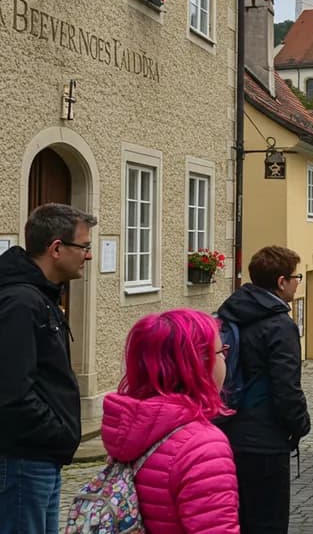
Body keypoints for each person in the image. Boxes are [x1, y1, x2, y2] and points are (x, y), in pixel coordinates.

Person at [0, 203, 96, 533]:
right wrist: (56, 432)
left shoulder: (40, 297)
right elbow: (12, 392)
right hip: (24, 458)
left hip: (40, 457)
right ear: (56, 248)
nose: (89, 256)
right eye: (84, 247)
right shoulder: (20, 303)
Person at [99, 309, 240, 532]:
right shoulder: (204, 445)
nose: (225, 358)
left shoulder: (135, 429)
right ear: (199, 364)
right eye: (221, 351)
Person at [216, 246, 311, 534]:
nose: (298, 282)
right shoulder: (279, 324)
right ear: (281, 281)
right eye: (296, 276)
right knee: (267, 520)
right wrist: (300, 424)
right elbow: (287, 387)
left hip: (228, 429)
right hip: (265, 437)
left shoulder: (231, 311)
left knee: (238, 518)